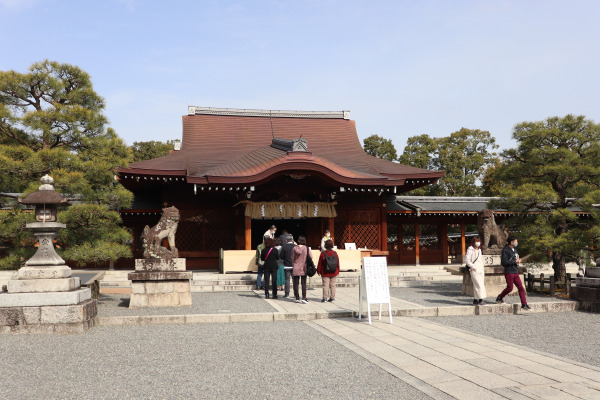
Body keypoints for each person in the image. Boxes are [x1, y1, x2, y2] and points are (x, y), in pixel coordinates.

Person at [496, 236, 531, 310]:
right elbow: (504, 262)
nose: (517, 243)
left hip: (515, 271)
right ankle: (500, 297)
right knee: (510, 288)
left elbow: (515, 259)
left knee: (521, 288)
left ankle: (524, 304)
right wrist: (514, 261)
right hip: (509, 272)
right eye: (516, 241)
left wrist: (520, 260)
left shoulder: (514, 249)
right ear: (511, 242)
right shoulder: (505, 250)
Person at [466, 236, 486, 305]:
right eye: (476, 241)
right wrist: (473, 267)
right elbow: (467, 260)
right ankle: (481, 299)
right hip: (474, 269)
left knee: (478, 284)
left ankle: (475, 299)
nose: (478, 243)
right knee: (479, 285)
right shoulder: (470, 249)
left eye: (479, 241)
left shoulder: (479, 250)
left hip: (481, 269)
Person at [292, 235, 311, 304]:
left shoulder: (294, 248)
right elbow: (310, 257)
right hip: (303, 267)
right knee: (303, 283)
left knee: (296, 283)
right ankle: (304, 297)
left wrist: (294, 264)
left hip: (296, 267)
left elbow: (292, 258)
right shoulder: (306, 248)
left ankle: (297, 297)